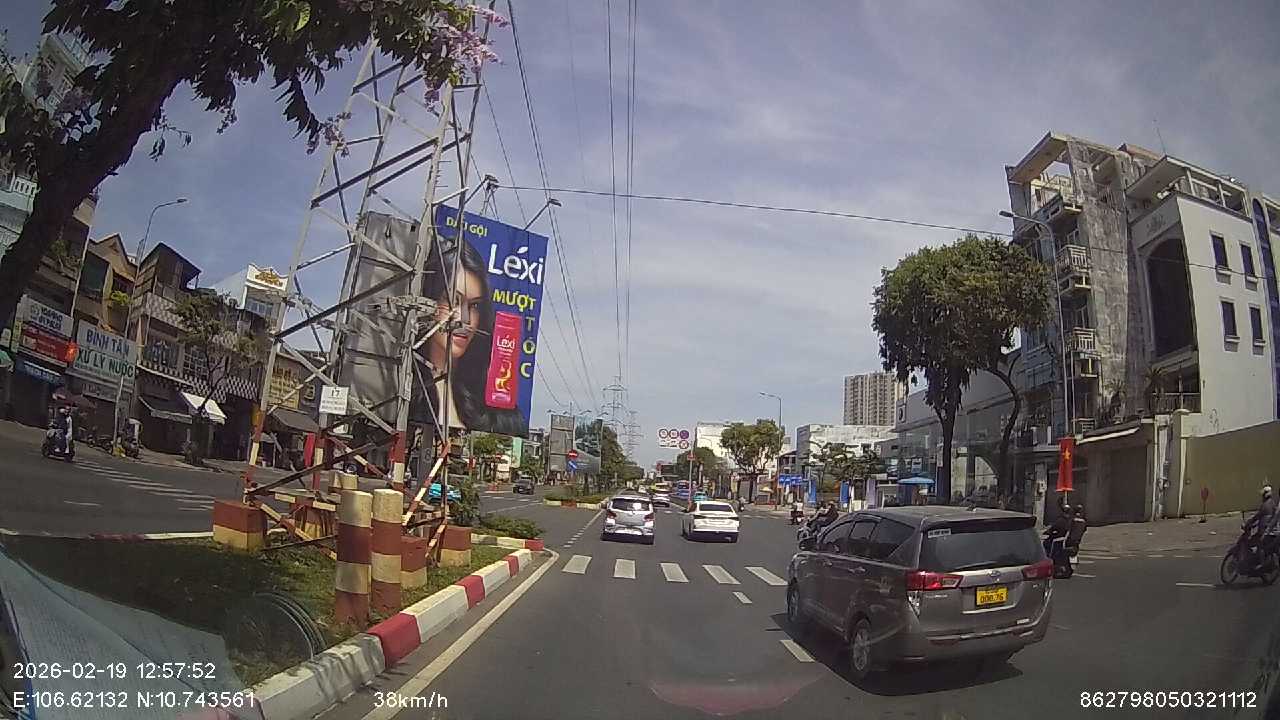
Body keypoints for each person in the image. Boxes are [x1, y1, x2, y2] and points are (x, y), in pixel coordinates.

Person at [415, 231, 525, 436]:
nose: (465, 320)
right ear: (428, 300)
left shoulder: (495, 409)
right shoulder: (403, 390)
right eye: (454, 301)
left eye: (474, 306)